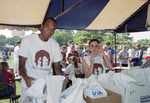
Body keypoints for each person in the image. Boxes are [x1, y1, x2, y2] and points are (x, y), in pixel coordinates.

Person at [18, 18, 68, 103]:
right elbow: (21, 65)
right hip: (29, 85)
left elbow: (57, 67)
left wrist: (62, 77)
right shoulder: (28, 40)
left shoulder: (55, 45)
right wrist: (26, 77)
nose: (49, 31)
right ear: (42, 26)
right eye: (47, 27)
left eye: (53, 29)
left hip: (46, 86)